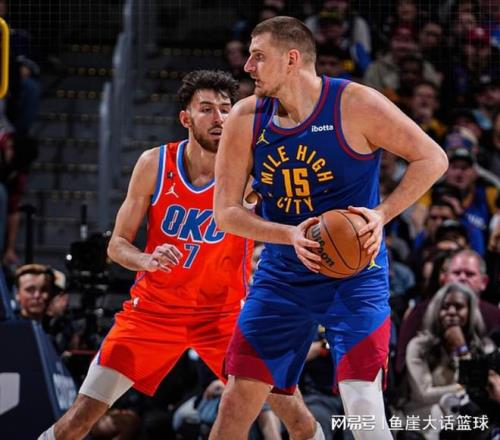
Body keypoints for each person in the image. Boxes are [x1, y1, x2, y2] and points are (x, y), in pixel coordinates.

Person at [38, 70, 318, 440]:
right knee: (78, 420)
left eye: (225, 109)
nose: (219, 118)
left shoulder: (251, 170)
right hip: (152, 313)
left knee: (296, 417)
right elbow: (117, 244)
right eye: (206, 109)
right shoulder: (154, 164)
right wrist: (146, 259)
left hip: (224, 316)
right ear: (185, 117)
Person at [210, 16, 448, 440]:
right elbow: (225, 212)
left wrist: (381, 214)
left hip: (355, 275)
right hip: (283, 275)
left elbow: (433, 158)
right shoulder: (246, 117)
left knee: (363, 407)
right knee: (235, 405)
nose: (247, 66)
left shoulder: (355, 103)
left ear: (291, 59)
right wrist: (289, 234)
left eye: (258, 56)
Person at [400, 282, 495, 440]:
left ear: (471, 311)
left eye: (458, 306)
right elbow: (423, 394)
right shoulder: (419, 345)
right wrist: (463, 387)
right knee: (438, 414)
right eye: (445, 307)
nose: (451, 312)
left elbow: (479, 392)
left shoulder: (485, 347)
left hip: (465, 416)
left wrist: (462, 350)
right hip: (423, 415)